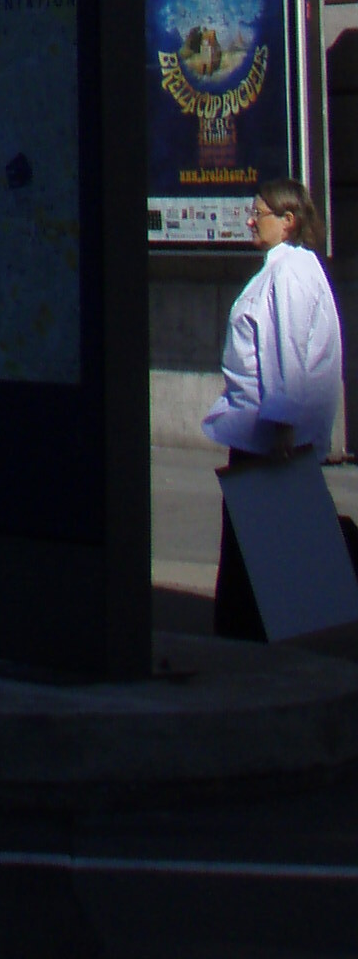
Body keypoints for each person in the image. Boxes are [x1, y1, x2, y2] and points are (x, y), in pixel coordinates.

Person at [204, 177, 346, 639]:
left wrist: (283, 424)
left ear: (288, 222)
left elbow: (286, 348)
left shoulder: (288, 273)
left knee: (257, 542)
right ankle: (244, 632)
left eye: (258, 212)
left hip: (266, 432)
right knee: (262, 538)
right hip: (263, 428)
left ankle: (240, 639)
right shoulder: (291, 269)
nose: (249, 220)